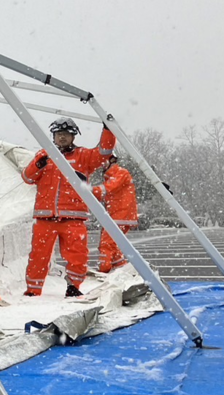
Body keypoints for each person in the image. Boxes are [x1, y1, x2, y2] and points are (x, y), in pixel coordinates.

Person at [21, 117, 116, 297]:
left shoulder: (84, 157)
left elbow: (104, 152)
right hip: (45, 218)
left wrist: (108, 131)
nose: (62, 138)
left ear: (73, 137)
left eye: (65, 134)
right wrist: (37, 164)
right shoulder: (44, 155)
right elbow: (27, 178)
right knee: (38, 257)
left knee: (77, 255)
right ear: (53, 137)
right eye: (58, 135)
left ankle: (74, 287)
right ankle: (33, 291)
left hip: (74, 218)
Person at [92, 153, 138, 273]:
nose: (100, 164)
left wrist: (88, 190)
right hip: (118, 215)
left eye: (103, 161)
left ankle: (104, 270)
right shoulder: (112, 175)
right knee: (114, 245)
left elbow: (108, 188)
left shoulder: (120, 173)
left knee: (106, 244)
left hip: (120, 215)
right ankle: (120, 268)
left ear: (112, 160)